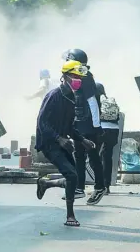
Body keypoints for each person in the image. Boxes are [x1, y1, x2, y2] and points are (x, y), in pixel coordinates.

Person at [35, 60, 96, 227]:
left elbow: (70, 126)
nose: (78, 80)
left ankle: (46, 183)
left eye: (80, 77)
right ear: (66, 77)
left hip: (63, 142)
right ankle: (70, 215)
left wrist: (82, 140)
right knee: (72, 175)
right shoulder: (54, 95)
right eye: (75, 76)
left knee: (73, 177)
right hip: (49, 142)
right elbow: (42, 123)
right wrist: (58, 139)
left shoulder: (72, 98)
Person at [62, 49, 106, 204]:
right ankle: (79, 188)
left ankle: (100, 187)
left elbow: (92, 102)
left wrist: (96, 125)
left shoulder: (85, 77)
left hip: (88, 125)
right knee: (79, 156)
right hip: (79, 124)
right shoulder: (77, 75)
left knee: (93, 157)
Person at [96, 82, 121, 195]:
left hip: (101, 129)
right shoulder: (110, 101)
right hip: (114, 130)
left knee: (95, 157)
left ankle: (99, 186)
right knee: (107, 157)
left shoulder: (95, 100)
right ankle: (107, 186)